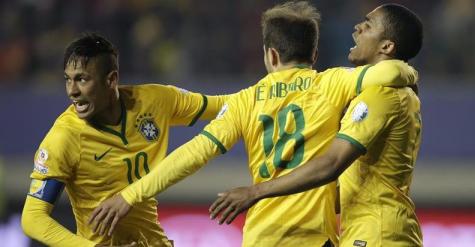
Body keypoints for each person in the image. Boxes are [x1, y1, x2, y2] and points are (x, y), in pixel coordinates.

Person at [89, 2, 418, 246]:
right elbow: (389, 72)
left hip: (262, 236)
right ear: (314, 54)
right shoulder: (332, 84)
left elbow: (192, 154)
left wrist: (129, 195)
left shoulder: (245, 101)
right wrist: (409, 73)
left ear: (270, 56)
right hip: (313, 238)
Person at [209, 3, 424, 247]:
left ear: (386, 46)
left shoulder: (381, 96)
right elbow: (356, 185)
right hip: (377, 231)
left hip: (378, 235)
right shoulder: (398, 94)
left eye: (368, 24)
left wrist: (255, 192)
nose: (358, 27)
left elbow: (330, 164)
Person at [21, 33, 230, 247]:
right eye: (68, 80)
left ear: (111, 79)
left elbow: (227, 105)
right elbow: (33, 218)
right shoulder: (64, 136)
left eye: (82, 79)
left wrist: (264, 93)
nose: (72, 91)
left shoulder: (155, 101)